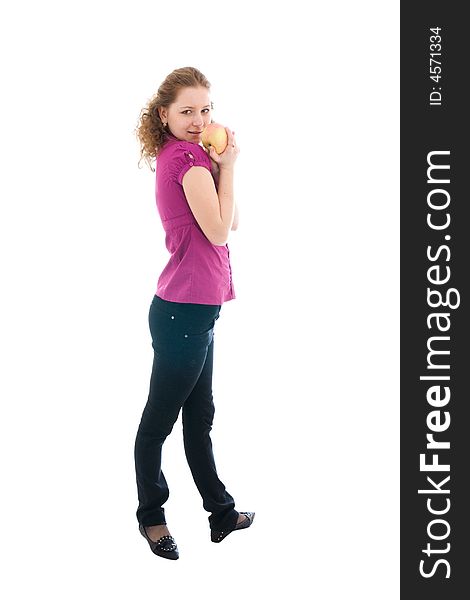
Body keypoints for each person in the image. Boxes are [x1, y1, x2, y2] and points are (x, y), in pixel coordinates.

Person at [133, 66, 254, 560]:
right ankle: (152, 518)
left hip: (193, 310)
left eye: (206, 109)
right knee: (159, 422)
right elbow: (222, 232)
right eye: (187, 111)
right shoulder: (191, 162)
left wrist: (222, 163)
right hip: (184, 311)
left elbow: (232, 218)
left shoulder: (188, 156)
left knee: (198, 417)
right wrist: (226, 166)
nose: (200, 119)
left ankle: (220, 512)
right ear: (164, 114)